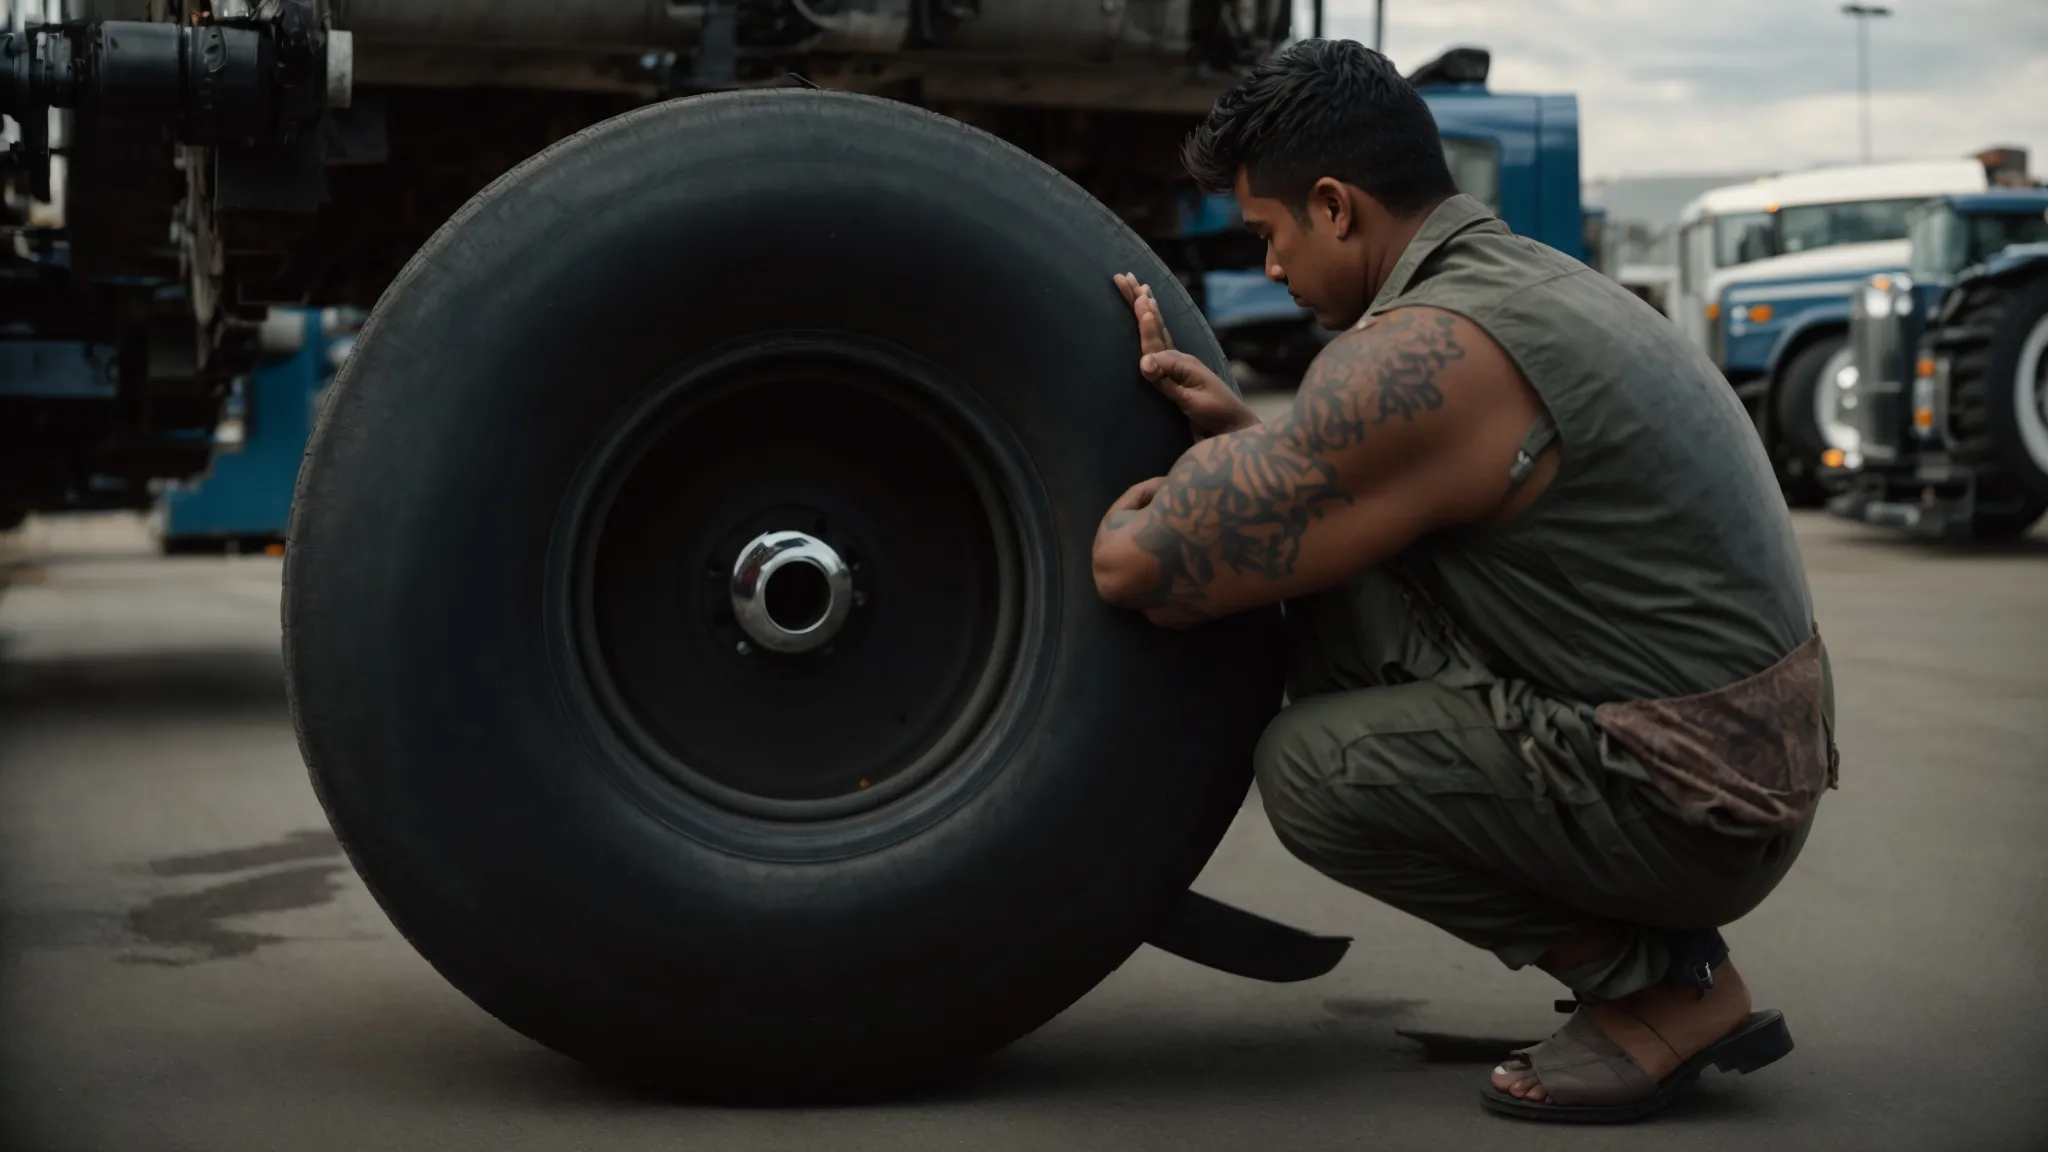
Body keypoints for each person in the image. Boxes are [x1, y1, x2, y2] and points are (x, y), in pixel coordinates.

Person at [1092, 38, 1837, 1123]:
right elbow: (1388, 499)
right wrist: (1252, 447)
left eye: (1269, 233)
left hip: (1695, 806)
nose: (1268, 270)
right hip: (1742, 757)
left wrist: (1161, 478)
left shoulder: (1418, 355)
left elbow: (1135, 568)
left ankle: (1658, 994)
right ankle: (1655, 957)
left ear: (1337, 207)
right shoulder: (1524, 285)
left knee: (1311, 770)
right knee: (1321, 589)